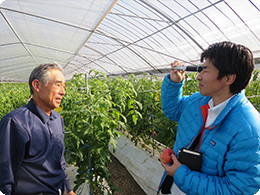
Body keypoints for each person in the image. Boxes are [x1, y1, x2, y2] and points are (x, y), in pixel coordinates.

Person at [158, 42, 260, 195]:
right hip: (173, 187)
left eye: (206, 70)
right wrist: (174, 84)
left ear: (228, 78)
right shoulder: (199, 100)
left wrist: (180, 174)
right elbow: (174, 110)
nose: (199, 76)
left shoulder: (249, 130)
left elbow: (236, 190)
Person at [0, 63, 76, 195]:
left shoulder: (58, 119)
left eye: (63, 86)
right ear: (37, 86)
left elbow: (60, 160)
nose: (63, 92)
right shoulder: (15, 122)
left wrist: (68, 190)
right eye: (57, 85)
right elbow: (4, 175)